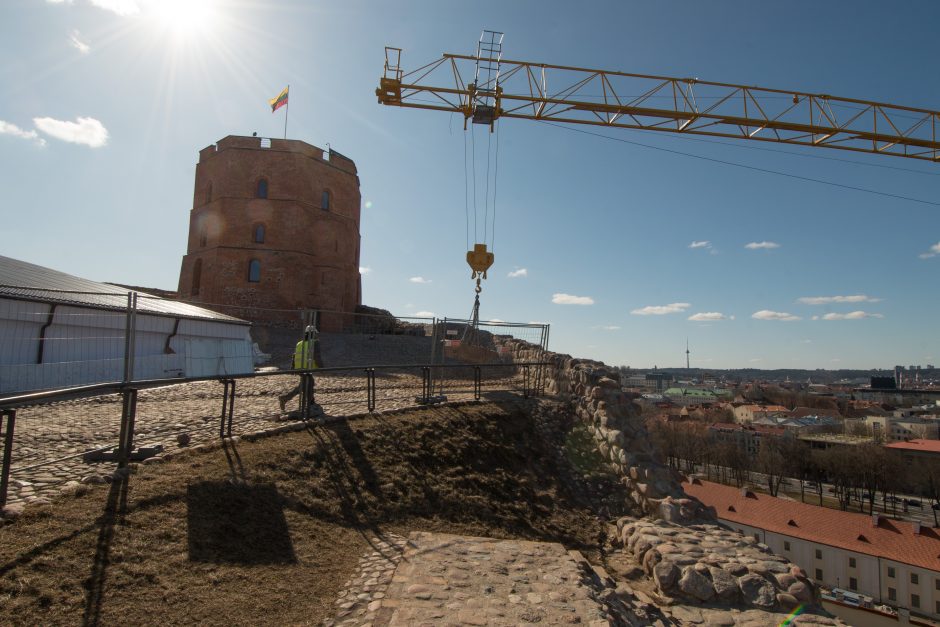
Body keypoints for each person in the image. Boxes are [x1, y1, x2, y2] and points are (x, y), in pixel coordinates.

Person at [279, 325, 323, 412]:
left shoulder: (299, 343)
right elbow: (316, 356)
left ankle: (311, 402)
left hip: (299, 368)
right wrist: (322, 368)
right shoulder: (315, 342)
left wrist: (293, 368)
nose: (316, 336)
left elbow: (295, 355)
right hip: (307, 367)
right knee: (303, 386)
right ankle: (285, 398)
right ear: (312, 334)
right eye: (315, 334)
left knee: (309, 383)